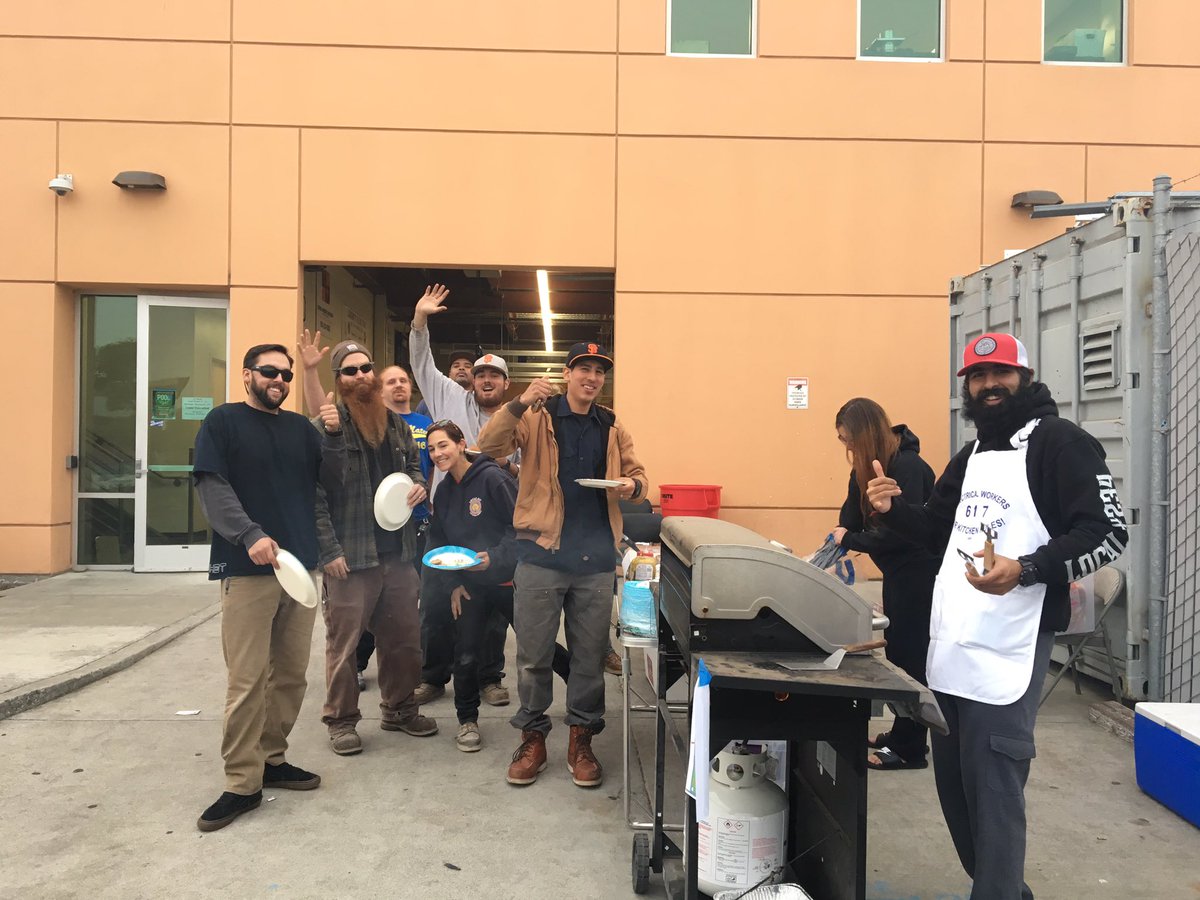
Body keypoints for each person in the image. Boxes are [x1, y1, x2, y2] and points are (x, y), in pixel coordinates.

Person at [866, 333, 1128, 899]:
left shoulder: (1061, 443)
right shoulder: (974, 454)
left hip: (1011, 640)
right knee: (955, 782)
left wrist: (1028, 568)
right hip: (954, 640)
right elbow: (936, 532)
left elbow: (1108, 532)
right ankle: (998, 888)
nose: (989, 385)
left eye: (1001, 373)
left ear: (1024, 377)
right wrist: (893, 512)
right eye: (978, 377)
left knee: (995, 784)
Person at [478, 341, 649, 788]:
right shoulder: (537, 415)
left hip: (594, 559)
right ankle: (533, 736)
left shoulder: (611, 425)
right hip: (540, 554)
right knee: (533, 657)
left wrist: (632, 485)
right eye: (583, 369)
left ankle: (581, 738)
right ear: (567, 373)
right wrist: (517, 402)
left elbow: (639, 476)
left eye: (598, 371)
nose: (591, 378)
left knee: (589, 658)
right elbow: (487, 444)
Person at [192, 343, 344, 832]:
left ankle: (272, 759)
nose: (278, 380)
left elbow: (333, 481)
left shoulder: (301, 429)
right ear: (246, 375)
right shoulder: (223, 421)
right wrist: (249, 534)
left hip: (300, 569)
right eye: (269, 371)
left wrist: (336, 436)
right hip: (248, 568)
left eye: (285, 374)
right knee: (247, 679)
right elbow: (212, 486)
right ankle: (242, 783)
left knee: (291, 675)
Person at [306, 340, 437, 756]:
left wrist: (418, 485)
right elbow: (313, 496)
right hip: (350, 555)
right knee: (344, 646)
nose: (361, 375)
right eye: (350, 370)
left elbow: (414, 465)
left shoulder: (395, 424)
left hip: (397, 552)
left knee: (403, 639)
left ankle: (398, 709)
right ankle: (341, 720)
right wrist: (328, 551)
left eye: (366, 368)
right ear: (340, 381)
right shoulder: (326, 426)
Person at [408, 284, 516, 708]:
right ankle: (433, 675)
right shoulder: (449, 397)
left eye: (496, 375)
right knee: (435, 603)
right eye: (481, 374)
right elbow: (421, 363)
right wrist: (420, 321)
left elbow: (531, 476)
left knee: (487, 611)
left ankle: (489, 677)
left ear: (506, 383)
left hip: (491, 529)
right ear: (472, 379)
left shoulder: (518, 420)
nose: (487, 380)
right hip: (448, 521)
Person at [833, 398, 939, 771]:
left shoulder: (909, 467)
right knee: (897, 654)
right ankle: (899, 732)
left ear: (866, 433)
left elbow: (906, 533)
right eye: (842, 441)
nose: (847, 449)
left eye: (850, 440)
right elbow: (849, 520)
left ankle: (912, 749)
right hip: (896, 572)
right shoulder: (863, 469)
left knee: (911, 658)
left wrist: (851, 540)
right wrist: (840, 536)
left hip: (920, 572)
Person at [424, 420, 520, 752]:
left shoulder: (493, 478)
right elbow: (439, 542)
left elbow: (519, 528)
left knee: (541, 649)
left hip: (508, 582)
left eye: (443, 445)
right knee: (464, 654)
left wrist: (495, 558)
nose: (437, 454)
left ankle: (574, 718)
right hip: (470, 587)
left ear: (461, 443)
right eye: (431, 448)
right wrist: (452, 583)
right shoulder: (444, 489)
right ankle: (467, 721)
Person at [353, 365, 433, 690]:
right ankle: (357, 664)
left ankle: (416, 670)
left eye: (403, 380)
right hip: (382, 531)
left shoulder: (426, 425)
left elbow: (432, 467)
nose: (399, 385)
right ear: (380, 390)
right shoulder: (371, 424)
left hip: (421, 526)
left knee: (413, 603)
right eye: (391, 381)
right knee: (370, 602)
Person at [415, 348, 473, 417]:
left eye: (467, 366)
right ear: (449, 374)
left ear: (475, 375)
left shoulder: (480, 403)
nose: (461, 368)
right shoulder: (428, 403)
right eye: (456, 366)